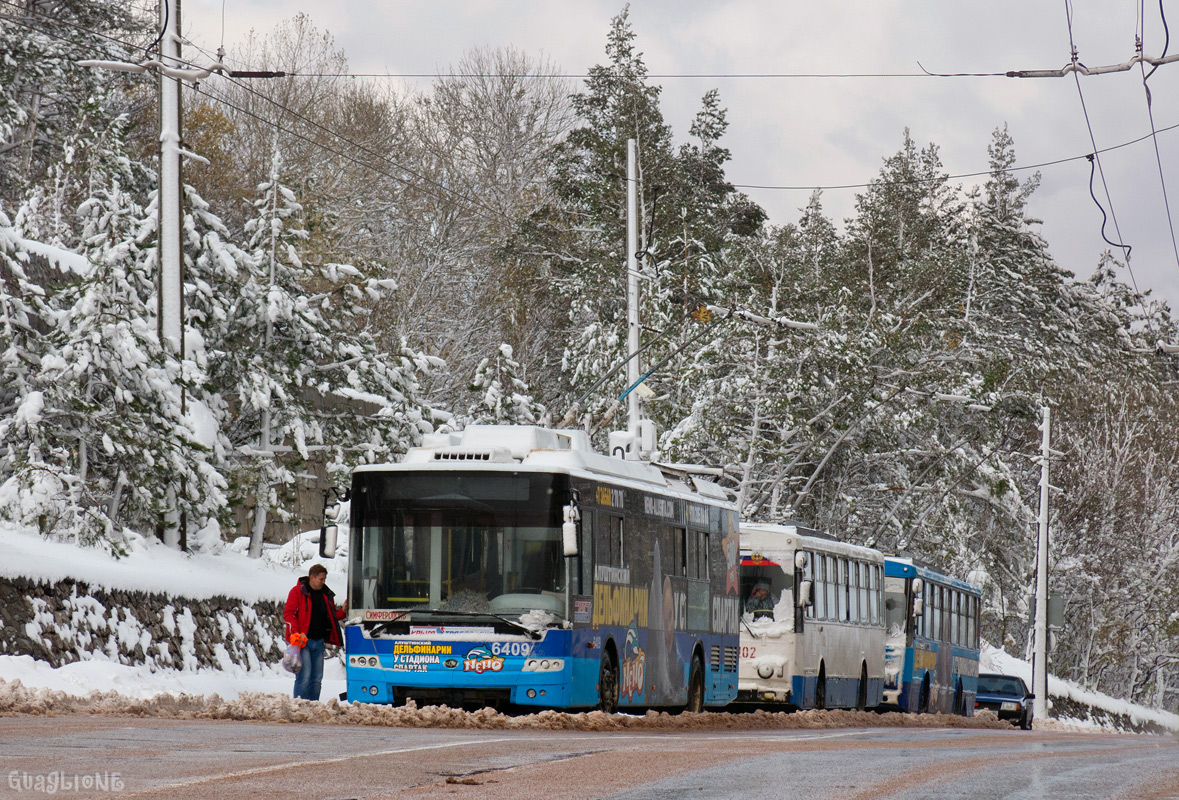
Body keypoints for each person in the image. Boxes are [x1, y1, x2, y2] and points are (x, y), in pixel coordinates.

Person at [284, 563, 348, 701]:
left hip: (319, 642)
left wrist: (343, 611)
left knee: (317, 678)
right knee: (304, 676)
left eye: (324, 579)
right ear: (311, 578)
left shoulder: (325, 595)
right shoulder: (297, 592)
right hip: (303, 641)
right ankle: (300, 705)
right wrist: (295, 632)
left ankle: (313, 706)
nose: (323, 582)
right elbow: (289, 614)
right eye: (321, 579)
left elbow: (331, 616)